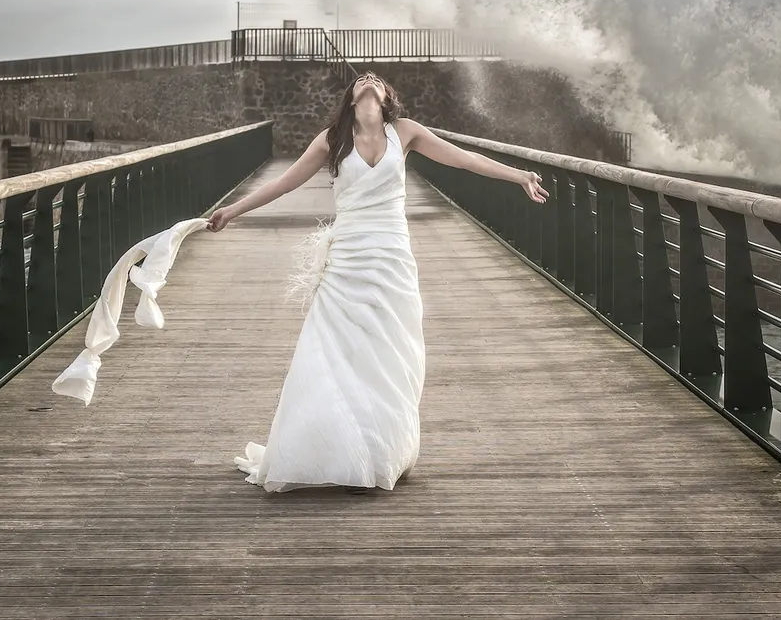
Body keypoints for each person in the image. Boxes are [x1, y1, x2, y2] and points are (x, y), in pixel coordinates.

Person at [208, 71, 548, 493]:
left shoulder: (405, 132)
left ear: (386, 97)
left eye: (376, 78)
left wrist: (518, 176)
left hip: (392, 257)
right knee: (338, 350)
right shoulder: (332, 140)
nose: (368, 78)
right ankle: (338, 450)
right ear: (351, 98)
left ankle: (378, 449)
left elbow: (464, 158)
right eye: (360, 79)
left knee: (390, 348)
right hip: (349, 259)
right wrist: (232, 211)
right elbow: (282, 183)